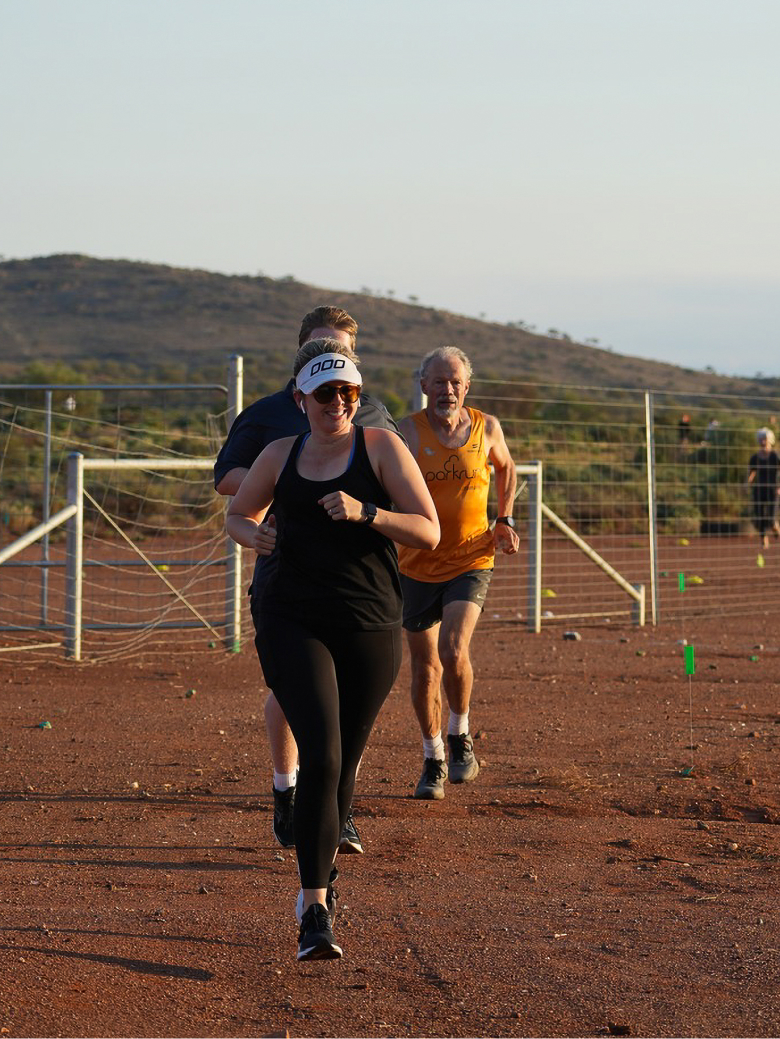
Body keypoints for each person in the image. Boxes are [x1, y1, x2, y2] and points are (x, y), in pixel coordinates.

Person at [226, 338, 439, 960]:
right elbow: (236, 514)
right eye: (325, 394)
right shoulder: (279, 452)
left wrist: (366, 511)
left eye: (348, 393)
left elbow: (428, 531)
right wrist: (254, 537)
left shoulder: (381, 448)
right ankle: (314, 907)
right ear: (302, 399)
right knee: (320, 753)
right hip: (291, 616)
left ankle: (321, 871)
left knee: (343, 764)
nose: (338, 404)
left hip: (368, 618)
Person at [214, 306, 399, 856]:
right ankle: (286, 791)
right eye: (318, 346)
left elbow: (396, 485)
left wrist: (365, 504)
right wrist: (287, 480)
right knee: (296, 695)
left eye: (339, 349)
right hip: (288, 578)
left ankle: (336, 809)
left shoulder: (373, 414)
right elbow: (227, 478)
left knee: (350, 708)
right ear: (299, 365)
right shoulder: (270, 415)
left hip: (359, 581)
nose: (328, 362)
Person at [398, 346, 520, 801]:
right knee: (425, 668)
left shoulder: (487, 427)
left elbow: (506, 469)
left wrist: (504, 519)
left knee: (452, 647)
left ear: (466, 387)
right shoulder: (407, 432)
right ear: (423, 384)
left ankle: (460, 733)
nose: (447, 390)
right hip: (415, 562)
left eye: (455, 382)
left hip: (472, 557)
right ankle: (432, 758)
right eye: (438, 381)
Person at [747, 427, 780, 550]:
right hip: (759, 490)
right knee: (760, 516)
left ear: (770, 440)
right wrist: (748, 483)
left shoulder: (775, 456)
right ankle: (764, 539)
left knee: (771, 517)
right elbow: (752, 472)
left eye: (764, 439)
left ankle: (775, 526)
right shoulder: (755, 457)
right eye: (760, 439)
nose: (762, 441)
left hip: (773, 490)